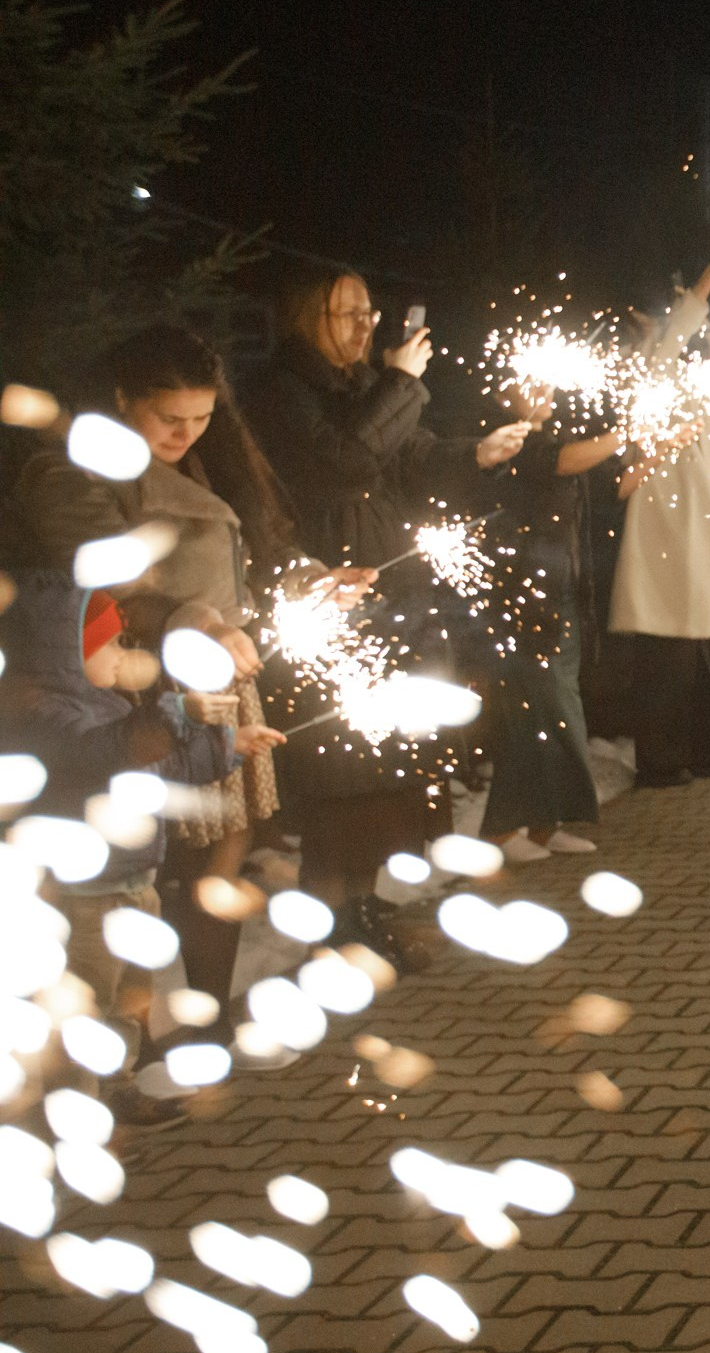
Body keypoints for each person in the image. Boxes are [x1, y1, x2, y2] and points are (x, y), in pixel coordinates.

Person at [14, 324, 323, 1013]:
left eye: (203, 416)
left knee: (219, 859)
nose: (188, 433)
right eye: (169, 417)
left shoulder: (203, 465)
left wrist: (306, 580)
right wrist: (190, 621)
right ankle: (139, 1049)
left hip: (216, 673)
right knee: (160, 872)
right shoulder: (69, 470)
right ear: (123, 399)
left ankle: (200, 1022)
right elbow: (110, 580)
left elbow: (232, 567)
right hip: (141, 685)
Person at [251, 270, 530, 953]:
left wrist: (479, 454)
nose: (363, 325)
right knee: (341, 776)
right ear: (304, 314)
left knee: (385, 773)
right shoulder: (281, 389)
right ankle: (330, 926)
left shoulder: (360, 386)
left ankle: (364, 909)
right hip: (329, 603)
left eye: (368, 312)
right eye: (345, 313)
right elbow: (343, 459)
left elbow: (413, 458)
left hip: (390, 603)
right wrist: (401, 381)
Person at [0, 573, 274, 1125]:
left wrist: (227, 747)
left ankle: (118, 1083)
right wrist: (175, 714)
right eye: (113, 646)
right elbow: (104, 754)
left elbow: (162, 768)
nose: (126, 657)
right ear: (69, 658)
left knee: (129, 999)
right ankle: (74, 1103)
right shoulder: (47, 715)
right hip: (82, 898)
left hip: (132, 884)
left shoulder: (112, 706)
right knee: (86, 1003)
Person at [607, 236, 710, 788]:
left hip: (699, 513)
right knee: (671, 642)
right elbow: (683, 324)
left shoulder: (673, 365)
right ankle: (664, 758)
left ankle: (705, 746)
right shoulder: (645, 364)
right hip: (668, 519)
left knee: (703, 636)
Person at [475, 374, 621, 861]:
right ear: (505, 395)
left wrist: (651, 444)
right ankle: (499, 833)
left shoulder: (551, 439)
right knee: (534, 711)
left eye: (551, 387)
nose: (549, 395)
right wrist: (628, 432)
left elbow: (599, 477)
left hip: (560, 592)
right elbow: (559, 462)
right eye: (533, 387)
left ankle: (543, 826)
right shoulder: (510, 442)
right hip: (525, 597)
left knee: (559, 706)